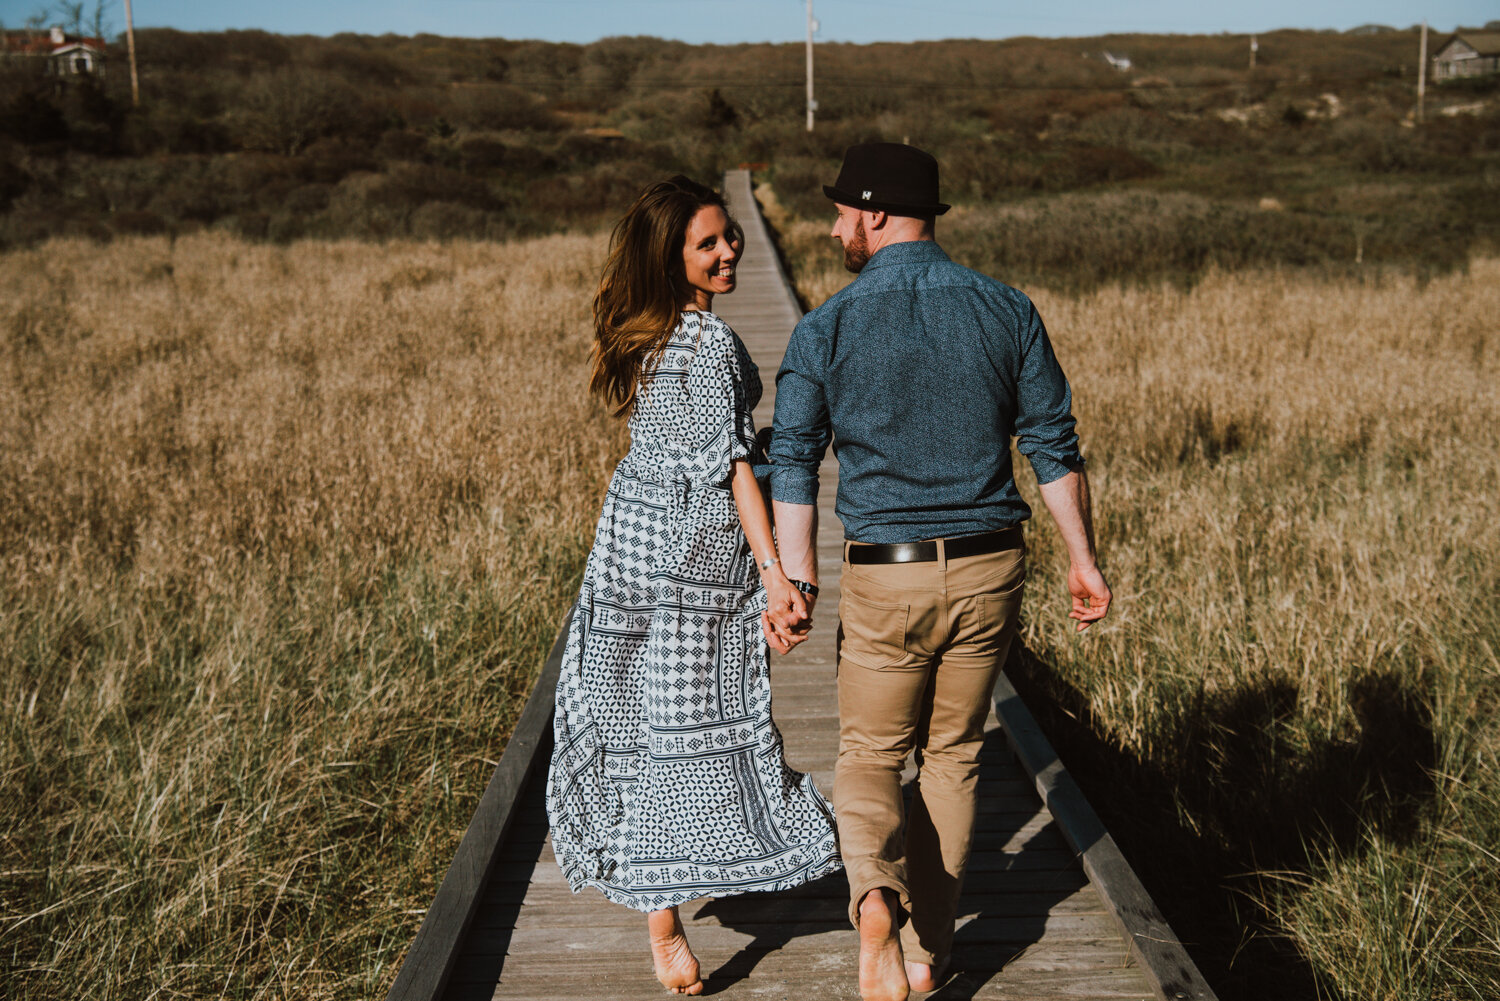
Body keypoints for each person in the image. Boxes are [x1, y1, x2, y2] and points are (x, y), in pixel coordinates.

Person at [766, 143, 1112, 1001]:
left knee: (869, 751)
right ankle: (927, 952)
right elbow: (1052, 445)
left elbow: (796, 462)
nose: (836, 223)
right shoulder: (1007, 308)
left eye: (845, 209)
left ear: (878, 213)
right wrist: (1083, 558)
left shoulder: (827, 327)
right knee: (954, 757)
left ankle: (873, 897)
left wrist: (798, 581)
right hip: (991, 565)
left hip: (887, 575)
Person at [546, 175, 840, 996]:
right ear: (672, 256)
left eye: (730, 236)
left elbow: (685, 443)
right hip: (691, 559)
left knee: (637, 720)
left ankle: (661, 912)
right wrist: (779, 574)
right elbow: (734, 472)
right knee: (689, 721)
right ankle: (669, 893)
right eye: (707, 242)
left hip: (627, 540)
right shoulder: (705, 345)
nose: (729, 251)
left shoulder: (640, 332)